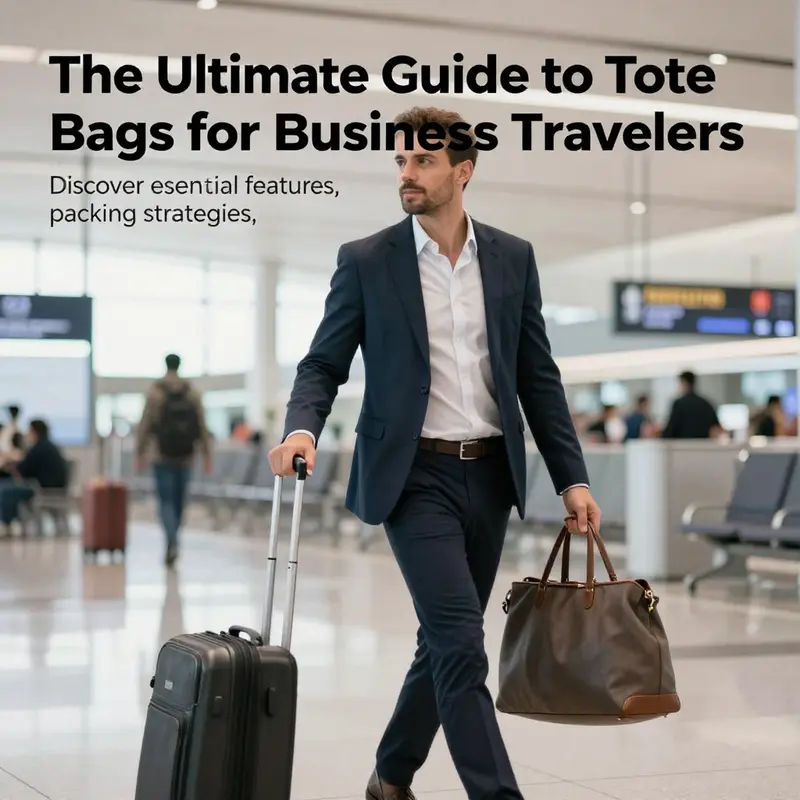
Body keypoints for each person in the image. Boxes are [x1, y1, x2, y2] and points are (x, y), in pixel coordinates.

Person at [268, 106, 600, 800]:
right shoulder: (366, 261)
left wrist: (572, 478)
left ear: (462, 171)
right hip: (412, 476)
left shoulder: (512, 257)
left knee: (443, 642)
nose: (406, 173)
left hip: (489, 476)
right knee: (460, 643)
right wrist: (303, 428)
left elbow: (537, 376)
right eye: (400, 161)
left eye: (421, 161)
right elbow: (322, 364)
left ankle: (390, 776)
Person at [135, 353, 212, 565]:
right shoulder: (192, 392)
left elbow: (145, 424)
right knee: (180, 501)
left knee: (165, 501)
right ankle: (175, 538)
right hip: (187, 455)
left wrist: (139, 453)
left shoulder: (155, 392)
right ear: (179, 366)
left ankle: (170, 540)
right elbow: (203, 426)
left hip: (161, 455)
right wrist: (207, 456)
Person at [0, 419, 67, 529]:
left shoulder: (38, 448)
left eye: (29, 432)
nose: (27, 435)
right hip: (53, 487)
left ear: (34, 432)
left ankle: (6, 526)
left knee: (5, 491)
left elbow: (22, 471)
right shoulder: (48, 446)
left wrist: (10, 460)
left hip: (41, 489)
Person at [661, 371, 722, 439]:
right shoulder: (706, 404)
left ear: (684, 383)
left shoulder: (679, 404)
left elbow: (670, 430)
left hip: (681, 446)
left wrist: (661, 438)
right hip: (704, 446)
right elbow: (716, 428)